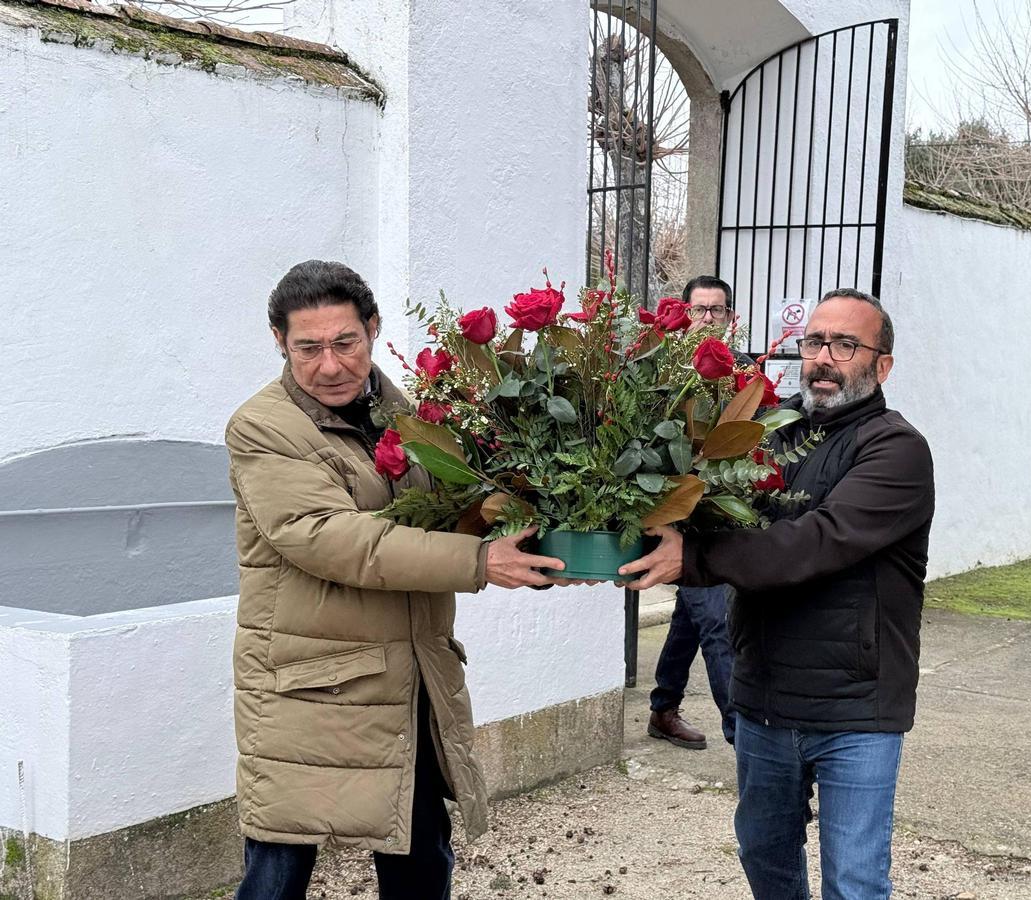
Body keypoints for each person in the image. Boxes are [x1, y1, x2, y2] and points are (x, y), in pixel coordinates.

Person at [225, 260, 566, 900]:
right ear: (279, 342)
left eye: (345, 342)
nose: (330, 365)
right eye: (308, 348)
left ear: (373, 329)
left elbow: (451, 509)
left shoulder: (403, 413)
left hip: (409, 678)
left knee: (421, 858)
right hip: (312, 687)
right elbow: (326, 537)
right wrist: (479, 562)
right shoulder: (263, 427)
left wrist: (549, 537)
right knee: (280, 868)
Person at [619, 287, 935, 900]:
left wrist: (696, 558)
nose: (823, 358)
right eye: (814, 342)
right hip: (765, 697)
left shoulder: (896, 450)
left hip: (856, 710)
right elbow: (705, 506)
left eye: (845, 345)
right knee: (765, 854)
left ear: (883, 366)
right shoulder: (765, 433)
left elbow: (815, 542)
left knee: (854, 881)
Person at [645, 275, 739, 749]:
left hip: (721, 515)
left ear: (730, 317)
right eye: (699, 309)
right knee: (718, 622)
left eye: (716, 310)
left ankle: (663, 708)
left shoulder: (741, 375)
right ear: (684, 315)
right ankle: (743, 737)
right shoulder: (661, 372)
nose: (707, 318)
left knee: (693, 613)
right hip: (678, 517)